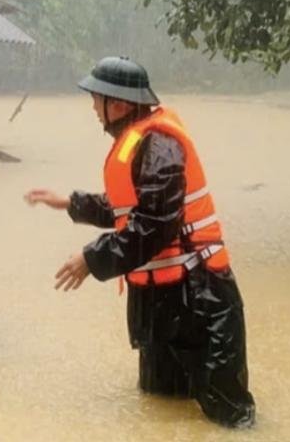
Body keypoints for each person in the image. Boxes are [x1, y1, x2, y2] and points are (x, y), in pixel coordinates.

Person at [25, 57, 255, 428]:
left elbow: (153, 226)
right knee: (160, 409)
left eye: (96, 99)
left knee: (227, 418)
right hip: (160, 303)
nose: (93, 109)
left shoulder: (160, 145)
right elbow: (127, 209)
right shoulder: (138, 143)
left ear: (117, 104)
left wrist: (91, 258)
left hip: (200, 299)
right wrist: (70, 202)